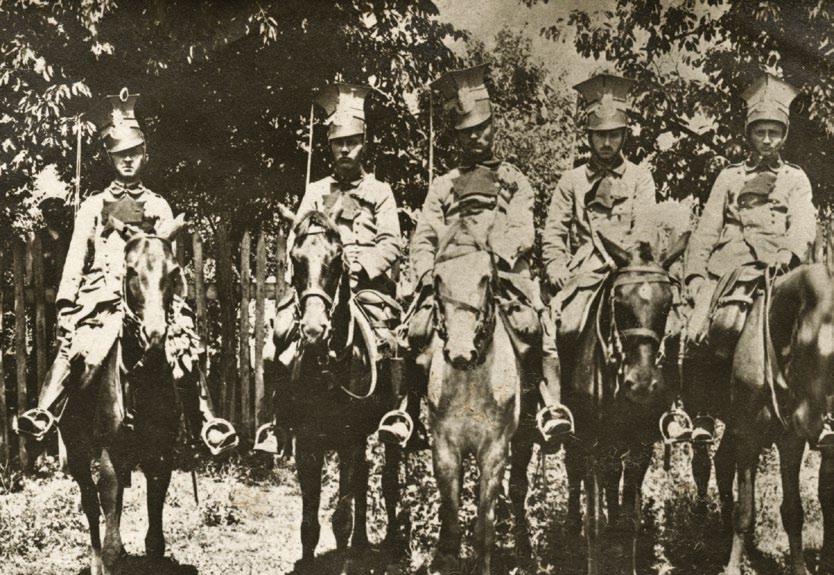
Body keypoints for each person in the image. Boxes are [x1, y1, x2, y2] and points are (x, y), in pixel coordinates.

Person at [15, 90, 237, 456]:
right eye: (120, 155)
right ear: (109, 158)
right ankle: (44, 412)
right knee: (73, 345)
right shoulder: (93, 206)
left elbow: (169, 265)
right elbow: (75, 260)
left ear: (145, 155)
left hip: (150, 299)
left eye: (134, 153)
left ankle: (207, 421)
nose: (128, 161)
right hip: (100, 300)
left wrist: (176, 306)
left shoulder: (158, 205)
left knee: (184, 347)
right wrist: (67, 305)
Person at [403, 64, 574, 445]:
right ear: (457, 137)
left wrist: (491, 258)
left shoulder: (514, 179)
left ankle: (548, 408)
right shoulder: (443, 185)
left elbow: (524, 232)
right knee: (413, 335)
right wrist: (426, 274)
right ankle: (407, 410)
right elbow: (424, 237)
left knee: (538, 331)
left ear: (493, 126)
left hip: (506, 278)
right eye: (466, 133)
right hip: (451, 284)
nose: (475, 138)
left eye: (482, 129)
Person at [265, 82, 409, 453]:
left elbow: (392, 241)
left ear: (364, 143)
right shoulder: (315, 191)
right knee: (276, 340)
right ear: (328, 146)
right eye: (337, 142)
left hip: (366, 287)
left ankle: (396, 415)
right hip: (320, 286)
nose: (344, 149)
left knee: (390, 341)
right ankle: (276, 424)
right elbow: (298, 241)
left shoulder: (380, 192)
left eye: (352, 141)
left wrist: (363, 265)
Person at [680, 74, 817, 444]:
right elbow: (707, 229)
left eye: (775, 132)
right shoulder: (729, 178)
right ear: (749, 135)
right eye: (761, 132)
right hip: (730, 266)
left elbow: (804, 222)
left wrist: (789, 253)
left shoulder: (795, 179)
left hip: (780, 266)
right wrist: (695, 276)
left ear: (784, 135)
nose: (768, 140)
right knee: (707, 328)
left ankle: (819, 408)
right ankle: (702, 410)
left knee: (819, 323)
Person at [542, 73, 656, 357]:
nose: (607, 142)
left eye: (614, 134)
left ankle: (666, 396)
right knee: (565, 328)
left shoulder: (640, 177)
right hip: (585, 270)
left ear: (624, 136)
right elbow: (554, 232)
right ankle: (558, 398)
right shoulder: (572, 180)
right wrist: (556, 266)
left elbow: (645, 228)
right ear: (589, 136)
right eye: (600, 135)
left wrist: (631, 263)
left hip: (630, 269)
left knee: (665, 324)